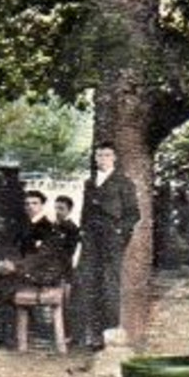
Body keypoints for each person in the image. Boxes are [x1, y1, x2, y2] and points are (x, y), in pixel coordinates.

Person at [71, 142, 141, 351]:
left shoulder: (123, 182)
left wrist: (120, 234)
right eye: (99, 155)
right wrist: (83, 230)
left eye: (107, 155)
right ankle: (87, 333)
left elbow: (133, 214)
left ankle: (108, 333)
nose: (102, 159)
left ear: (115, 158)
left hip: (111, 239)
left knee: (109, 284)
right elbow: (85, 211)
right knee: (86, 281)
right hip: (91, 239)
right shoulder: (89, 182)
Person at [0, 190, 63, 346]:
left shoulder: (48, 227)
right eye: (27, 204)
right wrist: (6, 261)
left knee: (6, 284)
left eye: (35, 203)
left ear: (42, 205)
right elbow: (17, 249)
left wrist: (15, 266)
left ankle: (4, 334)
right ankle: (3, 329)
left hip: (41, 272)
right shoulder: (25, 225)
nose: (30, 207)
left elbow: (42, 256)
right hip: (27, 268)